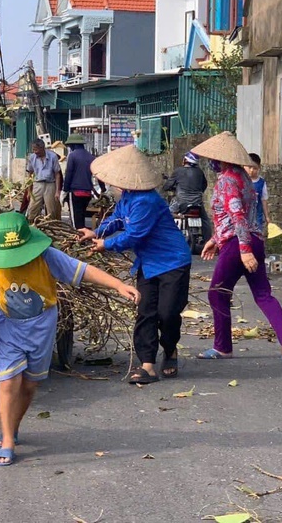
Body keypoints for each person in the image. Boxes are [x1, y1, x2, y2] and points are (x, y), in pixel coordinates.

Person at [0, 212, 140, 466]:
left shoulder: (45, 256)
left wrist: (117, 285)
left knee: (29, 385)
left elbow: (83, 271)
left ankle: (12, 426)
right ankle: (7, 441)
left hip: (42, 326)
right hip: (8, 326)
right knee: (8, 382)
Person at [79, 144, 192, 384]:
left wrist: (105, 245)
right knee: (145, 312)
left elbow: (134, 236)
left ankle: (169, 348)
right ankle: (147, 365)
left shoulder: (147, 201)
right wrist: (96, 232)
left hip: (173, 262)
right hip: (148, 264)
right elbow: (118, 219)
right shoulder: (127, 197)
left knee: (168, 314)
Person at [190, 132, 282, 364]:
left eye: (213, 159)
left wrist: (243, 248)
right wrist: (215, 239)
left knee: (217, 293)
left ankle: (222, 347)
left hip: (239, 243)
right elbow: (232, 217)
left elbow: (237, 216)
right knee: (263, 294)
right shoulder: (245, 179)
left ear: (222, 160)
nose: (211, 163)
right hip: (254, 239)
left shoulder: (227, 180)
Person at [163, 151, 212, 240]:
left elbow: (167, 186)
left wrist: (167, 187)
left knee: (166, 213)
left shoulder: (178, 171)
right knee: (205, 221)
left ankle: (168, 237)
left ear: (185, 160)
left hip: (182, 202)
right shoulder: (199, 172)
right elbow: (204, 185)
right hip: (198, 203)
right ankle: (208, 241)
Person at [61, 133, 100, 230]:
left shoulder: (72, 156)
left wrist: (65, 190)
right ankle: (83, 236)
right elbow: (98, 174)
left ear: (73, 145)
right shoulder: (91, 157)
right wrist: (102, 190)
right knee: (81, 216)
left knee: (75, 221)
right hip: (87, 193)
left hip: (75, 192)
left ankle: (78, 238)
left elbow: (69, 174)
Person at [26, 138, 63, 221]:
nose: (35, 151)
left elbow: (57, 174)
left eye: (36, 149)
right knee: (33, 208)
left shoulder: (53, 156)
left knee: (51, 210)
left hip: (50, 184)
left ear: (42, 148)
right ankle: (32, 225)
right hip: (37, 184)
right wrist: (29, 191)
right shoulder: (32, 157)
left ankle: (51, 229)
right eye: (33, 149)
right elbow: (29, 174)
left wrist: (57, 191)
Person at [246, 153, 271, 231]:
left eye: (255, 168)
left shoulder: (262, 183)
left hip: (257, 218)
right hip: (243, 217)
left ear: (259, 168)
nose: (252, 170)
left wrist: (267, 216)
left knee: (256, 237)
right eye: (249, 167)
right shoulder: (241, 181)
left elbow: (264, 200)